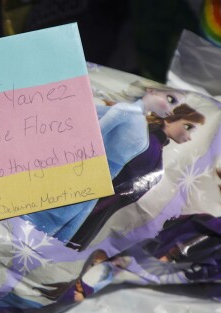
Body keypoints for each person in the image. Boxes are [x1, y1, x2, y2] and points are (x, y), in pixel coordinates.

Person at [65, 103, 206, 250]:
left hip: (93, 214)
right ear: (169, 119)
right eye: (188, 127)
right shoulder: (147, 145)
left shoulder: (153, 146)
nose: (189, 137)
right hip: (85, 213)